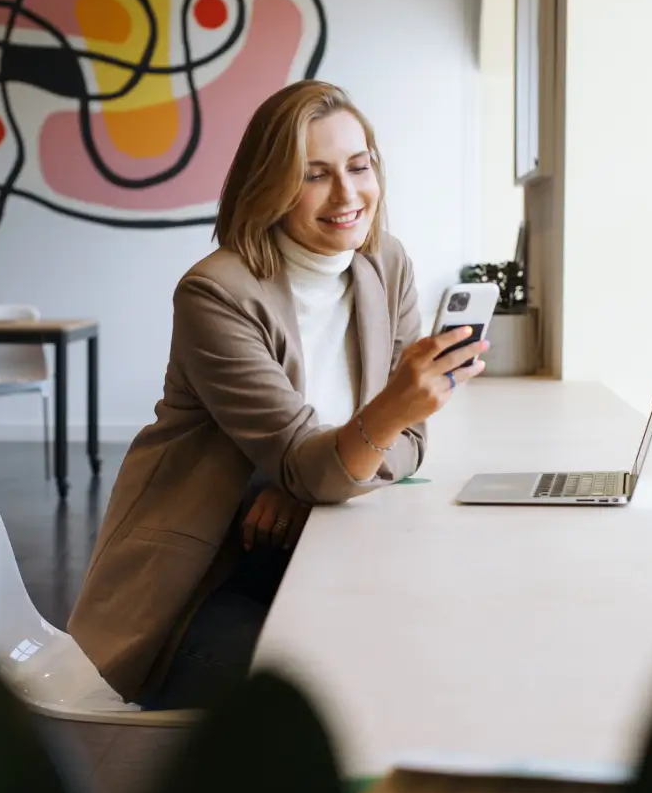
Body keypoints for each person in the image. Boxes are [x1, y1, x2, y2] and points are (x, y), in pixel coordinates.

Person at [67, 81, 488, 709]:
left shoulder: (385, 265)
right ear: (270, 186)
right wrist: (331, 464)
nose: (347, 195)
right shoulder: (216, 295)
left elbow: (409, 447)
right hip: (211, 579)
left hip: (309, 548)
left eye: (358, 166)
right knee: (352, 683)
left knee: (438, 639)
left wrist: (309, 490)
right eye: (314, 175)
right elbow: (325, 457)